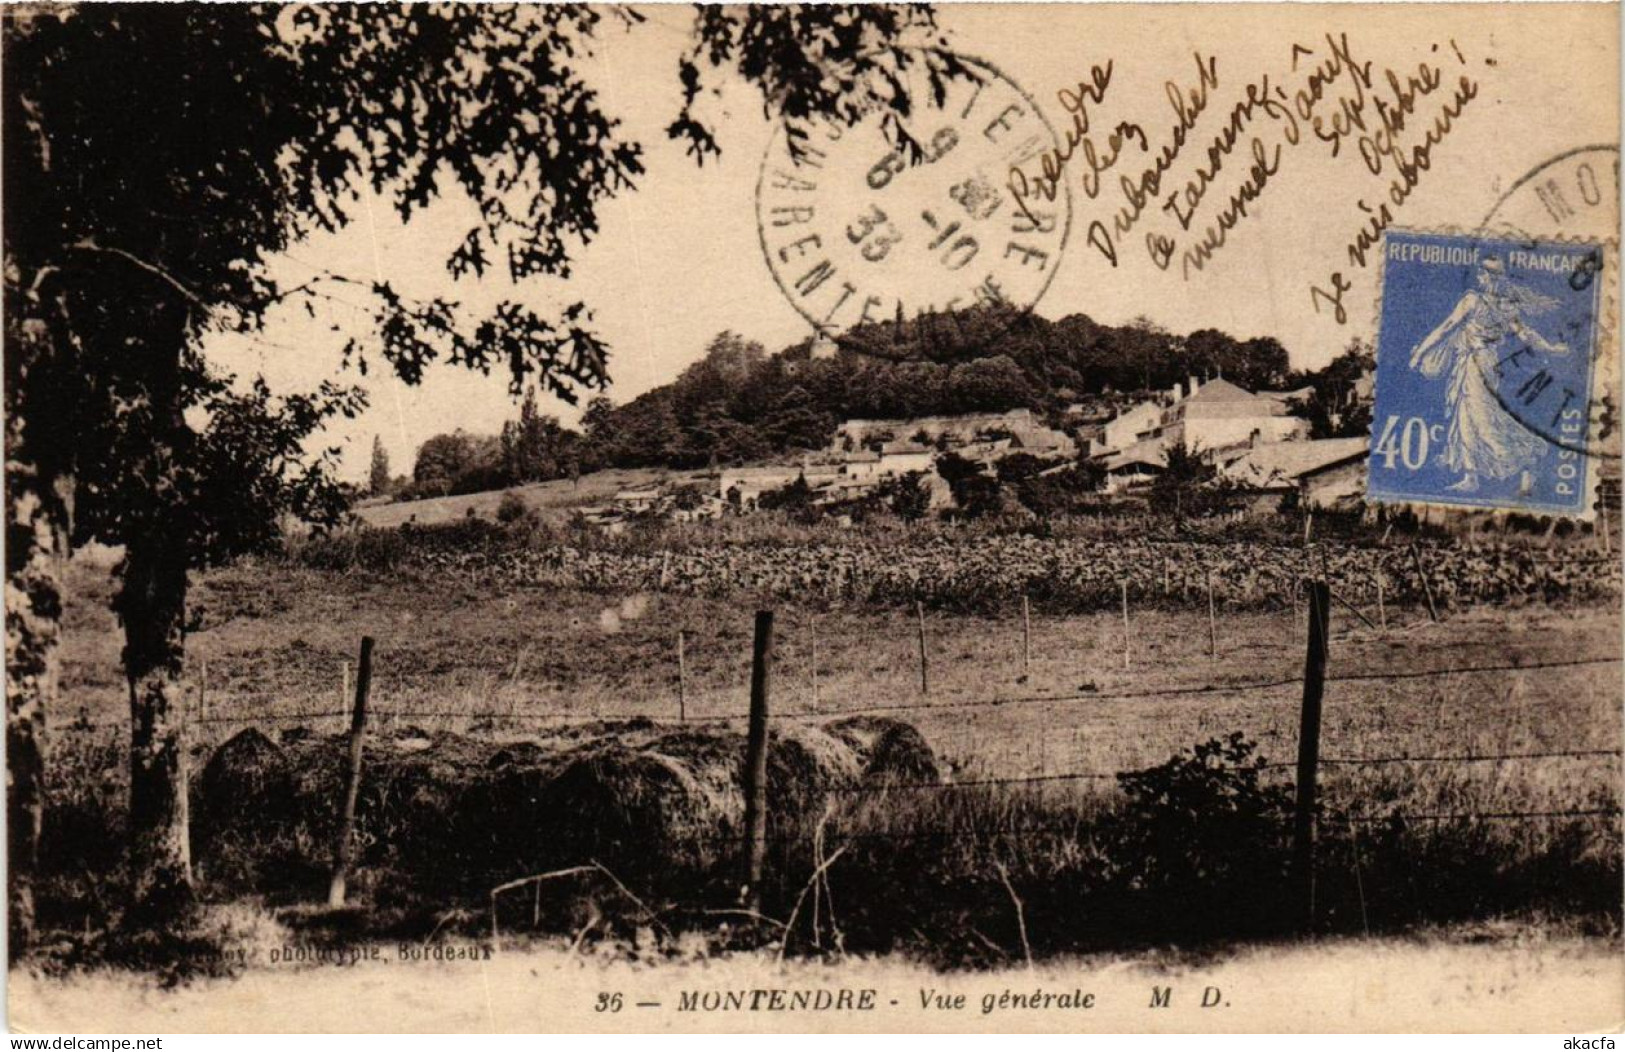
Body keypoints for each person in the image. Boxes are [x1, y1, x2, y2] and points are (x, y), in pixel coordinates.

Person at [1408, 256, 1570, 493]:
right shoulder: (1504, 306)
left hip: (1479, 364)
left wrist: (1419, 354)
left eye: (1483, 275)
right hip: (1475, 362)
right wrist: (1551, 348)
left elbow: (1445, 328)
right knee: (1465, 416)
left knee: (1484, 420)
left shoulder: (1474, 301)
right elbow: (1527, 335)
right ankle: (1471, 476)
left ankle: (1528, 460)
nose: (1480, 278)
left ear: (1489, 277)